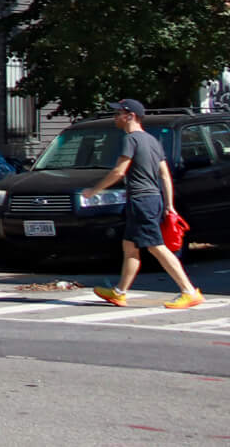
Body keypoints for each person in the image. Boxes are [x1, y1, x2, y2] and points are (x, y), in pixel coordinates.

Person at [83, 99, 204, 309]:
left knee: (156, 247)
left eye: (118, 113)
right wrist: (169, 205)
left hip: (141, 200)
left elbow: (119, 172)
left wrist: (93, 191)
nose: (115, 117)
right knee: (130, 247)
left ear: (130, 116)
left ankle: (189, 291)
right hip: (151, 199)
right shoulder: (153, 140)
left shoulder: (131, 139)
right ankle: (119, 292)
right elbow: (165, 175)